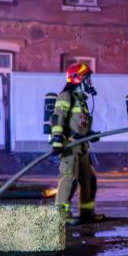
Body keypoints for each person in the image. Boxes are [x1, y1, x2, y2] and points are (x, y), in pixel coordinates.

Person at [50, 62, 101, 224]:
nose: (90, 83)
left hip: (82, 147)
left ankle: (87, 214)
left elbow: (79, 124)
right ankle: (61, 216)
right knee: (68, 179)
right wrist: (58, 139)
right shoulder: (66, 96)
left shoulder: (81, 99)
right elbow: (58, 118)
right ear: (78, 79)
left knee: (89, 180)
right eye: (88, 79)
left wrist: (89, 135)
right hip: (70, 146)